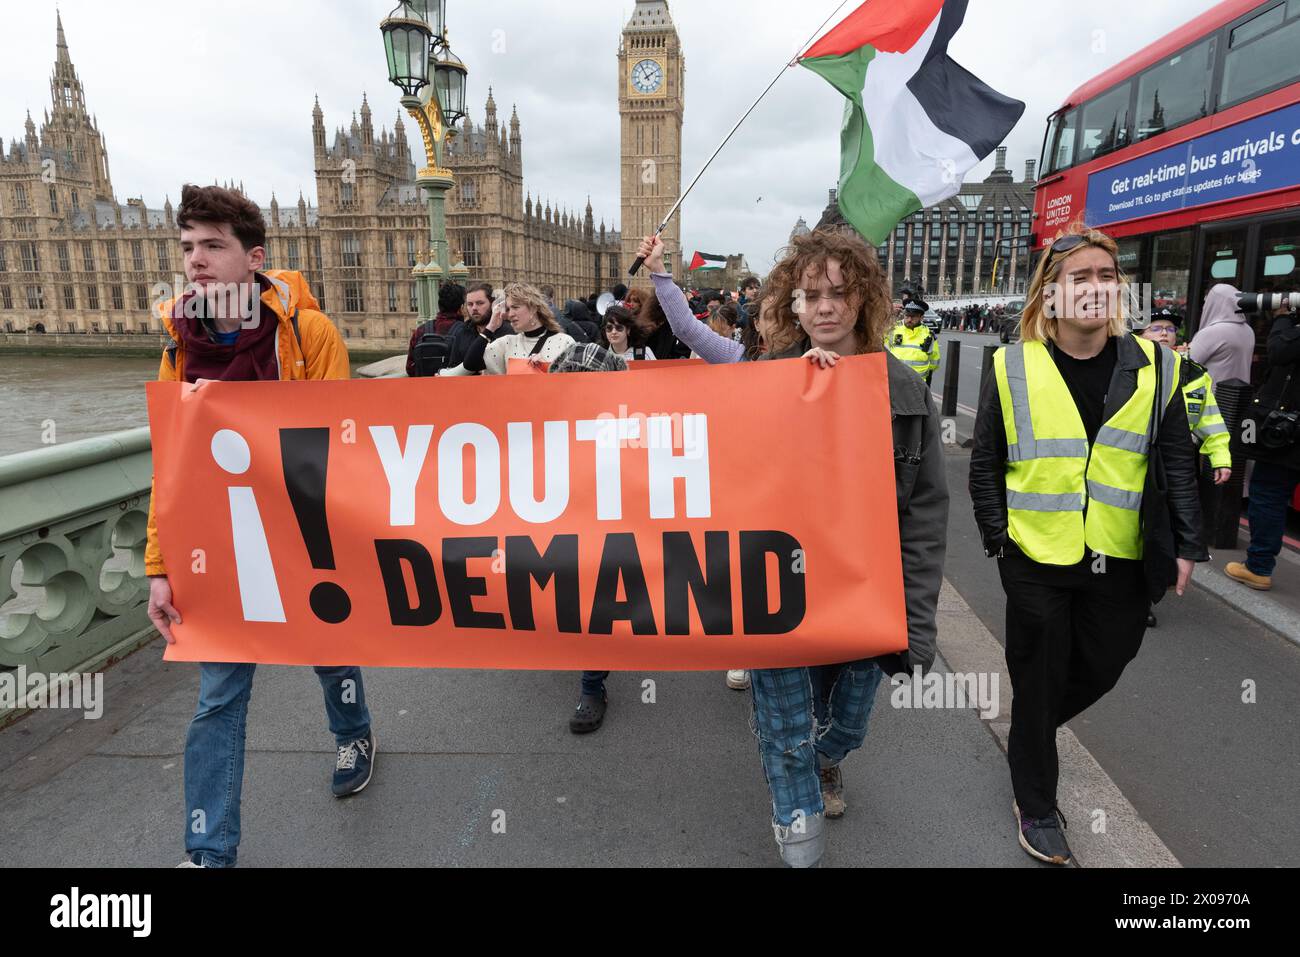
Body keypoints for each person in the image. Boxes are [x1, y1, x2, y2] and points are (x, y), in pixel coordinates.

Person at [144, 184, 375, 868]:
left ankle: (355, 732)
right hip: (220, 542)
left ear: (254, 257)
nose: (196, 261)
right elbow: (173, 461)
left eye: (213, 246)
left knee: (329, 649)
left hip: (302, 532)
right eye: (187, 247)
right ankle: (210, 851)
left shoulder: (309, 333)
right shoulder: (177, 343)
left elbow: (345, 443)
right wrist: (159, 564)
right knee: (219, 694)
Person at [969, 225, 1207, 866]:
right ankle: (1037, 806)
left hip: (1120, 556)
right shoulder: (1009, 365)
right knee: (1040, 675)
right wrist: (998, 540)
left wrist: (1188, 542)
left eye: (1108, 276)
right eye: (1081, 277)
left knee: (1106, 661)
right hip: (1035, 555)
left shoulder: (1158, 367)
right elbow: (986, 462)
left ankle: (1029, 734)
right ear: (1050, 293)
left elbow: (1177, 458)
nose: (1097, 287)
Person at [748, 228, 948, 867]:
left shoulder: (907, 395)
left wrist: (917, 623)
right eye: (810, 295)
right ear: (793, 305)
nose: (824, 306)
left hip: (864, 593)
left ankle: (829, 758)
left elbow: (923, 519)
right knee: (784, 735)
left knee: (850, 719)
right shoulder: (764, 381)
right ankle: (800, 835)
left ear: (865, 300)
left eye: (839, 292)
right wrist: (794, 396)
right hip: (777, 591)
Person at [546, 342, 633, 733]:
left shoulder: (629, 429)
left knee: (599, 599)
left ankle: (591, 686)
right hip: (564, 526)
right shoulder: (545, 428)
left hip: (609, 529)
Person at [1141, 309, 1231, 603]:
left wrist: (1220, 456)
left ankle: (1147, 593)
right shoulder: (1129, 369)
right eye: (1155, 328)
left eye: (1169, 328)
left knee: (1166, 529)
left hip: (1177, 463)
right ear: (1138, 335)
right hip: (1137, 462)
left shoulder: (1194, 374)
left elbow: (1210, 418)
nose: (1165, 333)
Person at [1225, 301, 1300, 590]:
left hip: (1289, 435)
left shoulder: (1289, 329)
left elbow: (1280, 350)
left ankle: (1257, 567)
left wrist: (1283, 317)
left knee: (1268, 493)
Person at [439, 282, 576, 376]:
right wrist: (490, 327)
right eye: (508, 309)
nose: (510, 314)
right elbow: (470, 364)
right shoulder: (507, 343)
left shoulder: (563, 342)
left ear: (533, 308)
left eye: (516, 307)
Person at [1190, 283, 1255, 386]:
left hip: (1212, 398)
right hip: (1239, 397)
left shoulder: (1212, 333)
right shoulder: (1249, 331)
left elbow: (1186, 365)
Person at [405, 281, 466, 377]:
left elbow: (410, 368)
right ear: (461, 308)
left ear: (439, 305)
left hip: (425, 389)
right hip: (454, 388)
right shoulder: (466, 331)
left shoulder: (420, 331)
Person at [886, 299, 941, 384]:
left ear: (921, 317)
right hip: (895, 382)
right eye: (907, 316)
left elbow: (934, 362)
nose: (909, 319)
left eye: (913, 316)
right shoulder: (893, 330)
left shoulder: (929, 335)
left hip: (918, 384)